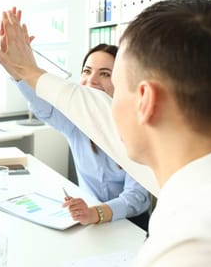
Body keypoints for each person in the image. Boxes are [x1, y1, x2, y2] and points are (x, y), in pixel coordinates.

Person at [0, 0, 211, 265]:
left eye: (116, 88)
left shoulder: (195, 244)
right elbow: (92, 113)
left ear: (146, 100)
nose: (107, 103)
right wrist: (28, 73)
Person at [13, 43, 150, 230]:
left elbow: (137, 198)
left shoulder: (139, 130)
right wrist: (17, 70)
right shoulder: (77, 122)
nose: (91, 81)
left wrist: (96, 213)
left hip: (129, 224)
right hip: (88, 220)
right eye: (87, 71)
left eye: (105, 74)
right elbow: (44, 107)